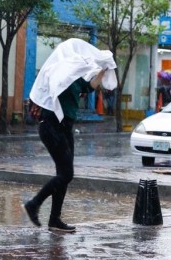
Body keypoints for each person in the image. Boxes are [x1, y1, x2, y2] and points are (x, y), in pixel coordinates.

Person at [23, 38, 117, 233]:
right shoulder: (58, 72)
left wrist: (104, 69)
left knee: (64, 175)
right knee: (66, 174)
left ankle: (54, 219)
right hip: (51, 126)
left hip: (66, 127)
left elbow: (89, 87)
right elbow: (55, 84)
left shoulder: (73, 74)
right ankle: (34, 204)